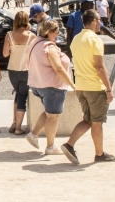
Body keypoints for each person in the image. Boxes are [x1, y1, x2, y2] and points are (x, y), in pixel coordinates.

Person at [62, 9, 115, 163]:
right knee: (97, 122)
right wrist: (109, 88)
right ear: (93, 21)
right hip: (95, 86)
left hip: (81, 85)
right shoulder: (95, 40)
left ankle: (70, 144)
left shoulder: (76, 39)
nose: (100, 23)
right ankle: (99, 154)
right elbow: (100, 67)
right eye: (99, 20)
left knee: (87, 120)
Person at [25, 20, 76, 157]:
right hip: (52, 86)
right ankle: (50, 146)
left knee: (49, 113)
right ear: (49, 32)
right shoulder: (49, 47)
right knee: (53, 117)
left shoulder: (35, 42)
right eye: (56, 32)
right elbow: (58, 68)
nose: (58, 34)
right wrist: (71, 84)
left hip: (38, 84)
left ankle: (34, 134)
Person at [3, 10, 33, 134]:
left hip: (12, 70)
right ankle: (18, 128)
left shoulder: (9, 35)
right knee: (22, 96)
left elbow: (5, 54)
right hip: (25, 70)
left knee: (18, 94)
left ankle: (15, 122)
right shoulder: (31, 36)